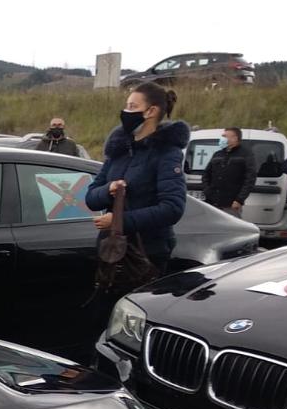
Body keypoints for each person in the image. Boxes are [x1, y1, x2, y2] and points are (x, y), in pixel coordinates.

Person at [86, 81, 189, 274]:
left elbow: (172, 209)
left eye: (132, 107)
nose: (126, 112)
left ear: (151, 111)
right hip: (113, 250)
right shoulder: (119, 149)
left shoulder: (167, 153)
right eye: (126, 106)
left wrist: (119, 221)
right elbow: (91, 198)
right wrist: (109, 189)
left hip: (146, 254)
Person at [201, 127, 256, 216]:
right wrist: (207, 191)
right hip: (213, 202)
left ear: (235, 138)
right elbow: (206, 175)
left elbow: (250, 179)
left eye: (225, 136)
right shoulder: (218, 154)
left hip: (231, 204)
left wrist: (239, 200)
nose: (222, 138)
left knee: (230, 229)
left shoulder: (245, 154)